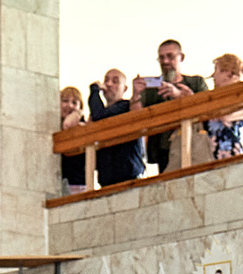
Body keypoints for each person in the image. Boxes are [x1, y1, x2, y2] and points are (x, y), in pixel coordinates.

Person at [137, 40, 207, 174]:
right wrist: (136, 96)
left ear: (182, 57)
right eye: (161, 58)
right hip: (164, 150)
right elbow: (137, 120)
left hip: (195, 145)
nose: (165, 61)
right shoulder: (151, 90)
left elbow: (207, 109)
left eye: (170, 56)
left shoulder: (196, 82)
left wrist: (180, 95)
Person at [86, 71, 147, 187]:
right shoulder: (101, 111)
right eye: (106, 80)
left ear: (124, 89)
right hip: (107, 180)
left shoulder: (125, 106)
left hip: (130, 177)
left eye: (115, 81)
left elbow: (100, 116)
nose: (108, 84)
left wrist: (94, 90)